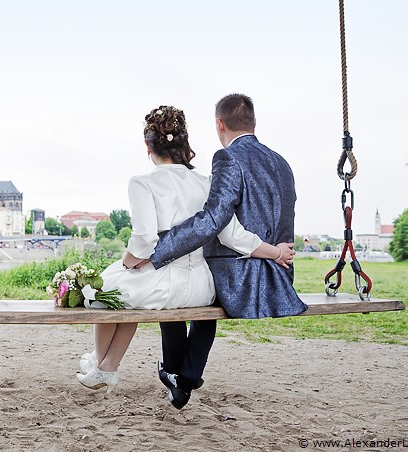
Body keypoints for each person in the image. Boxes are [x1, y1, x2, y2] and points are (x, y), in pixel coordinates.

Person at [75, 105, 295, 395]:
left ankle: (104, 365)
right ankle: (102, 366)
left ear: (147, 146)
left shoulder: (141, 182)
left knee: (102, 291)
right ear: (183, 144)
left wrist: (128, 263)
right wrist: (276, 252)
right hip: (201, 287)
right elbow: (233, 235)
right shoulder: (205, 183)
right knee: (121, 294)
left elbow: (144, 242)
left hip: (164, 283)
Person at [148, 94, 307, 409]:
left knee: (174, 280)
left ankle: (177, 374)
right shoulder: (281, 163)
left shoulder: (227, 158)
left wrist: (160, 251)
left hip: (240, 279)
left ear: (219, 124)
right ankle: (185, 377)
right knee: (195, 286)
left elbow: (214, 219)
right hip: (280, 279)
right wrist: (276, 254)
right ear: (253, 122)